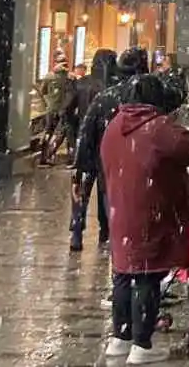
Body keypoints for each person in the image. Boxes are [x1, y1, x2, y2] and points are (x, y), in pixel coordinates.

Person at [100, 73, 189, 365]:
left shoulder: (115, 124)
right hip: (150, 210)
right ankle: (142, 344)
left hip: (120, 210)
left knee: (122, 272)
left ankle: (120, 338)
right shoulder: (157, 126)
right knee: (147, 275)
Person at [70, 47, 147, 253]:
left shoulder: (85, 85)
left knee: (82, 193)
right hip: (109, 151)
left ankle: (77, 231)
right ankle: (108, 233)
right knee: (107, 192)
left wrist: (78, 162)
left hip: (90, 147)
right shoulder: (118, 91)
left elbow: (79, 122)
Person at [36, 64, 75, 166]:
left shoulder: (48, 77)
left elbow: (42, 91)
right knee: (63, 133)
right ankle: (57, 155)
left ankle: (43, 157)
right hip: (63, 110)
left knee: (48, 132)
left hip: (51, 109)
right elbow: (70, 95)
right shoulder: (69, 79)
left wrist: (48, 103)